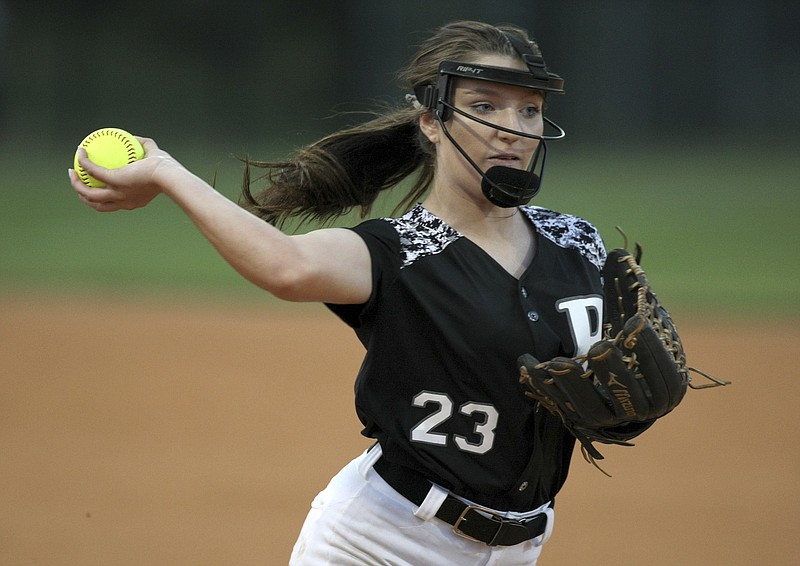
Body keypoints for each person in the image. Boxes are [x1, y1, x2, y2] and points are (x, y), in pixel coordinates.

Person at [69, 20, 609, 565]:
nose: (511, 128)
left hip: (519, 550)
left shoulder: (579, 244)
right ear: (432, 121)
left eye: (529, 109)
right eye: (485, 106)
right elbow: (286, 267)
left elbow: (621, 370)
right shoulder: (399, 252)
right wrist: (166, 173)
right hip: (380, 542)